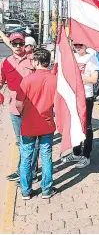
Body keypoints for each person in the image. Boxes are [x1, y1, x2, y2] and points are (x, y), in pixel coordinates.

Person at [16, 48, 57, 200]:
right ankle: (46, 189)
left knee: (26, 157)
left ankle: (26, 191)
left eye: (33, 60)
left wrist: (23, 114)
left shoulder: (27, 79)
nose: (31, 62)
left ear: (38, 62)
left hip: (29, 124)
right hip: (47, 123)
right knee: (46, 156)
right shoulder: (54, 79)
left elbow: (19, 103)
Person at [0, 32, 38, 182]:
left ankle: (30, 172)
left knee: (32, 142)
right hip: (14, 109)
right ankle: (23, 170)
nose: (17, 46)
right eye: (14, 43)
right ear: (10, 43)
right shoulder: (6, 62)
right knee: (21, 141)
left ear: (24, 44)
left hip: (33, 108)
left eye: (20, 43)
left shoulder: (33, 60)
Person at [62, 43, 99, 168]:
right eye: (76, 45)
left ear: (85, 45)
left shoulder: (91, 58)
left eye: (80, 45)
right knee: (74, 124)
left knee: (87, 125)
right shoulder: (72, 56)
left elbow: (94, 79)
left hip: (86, 96)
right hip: (73, 95)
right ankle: (76, 152)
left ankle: (86, 155)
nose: (78, 47)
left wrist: (77, 77)